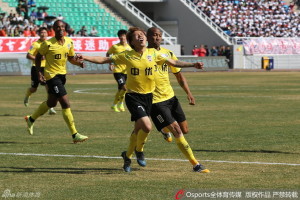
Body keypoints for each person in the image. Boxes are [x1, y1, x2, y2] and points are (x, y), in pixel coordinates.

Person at [79, 27, 204, 173]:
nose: (141, 37)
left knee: (141, 129)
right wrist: (85, 57)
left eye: (142, 35)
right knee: (150, 127)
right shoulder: (127, 55)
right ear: (131, 41)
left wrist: (193, 64)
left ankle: (129, 154)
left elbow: (174, 63)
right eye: (137, 36)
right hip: (136, 97)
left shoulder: (154, 54)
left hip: (153, 96)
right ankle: (194, 164)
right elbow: (104, 59)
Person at [147, 27, 210, 173]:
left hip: (171, 97)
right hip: (155, 101)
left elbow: (179, 75)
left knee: (184, 130)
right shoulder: (145, 54)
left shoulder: (167, 53)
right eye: (154, 35)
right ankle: (196, 165)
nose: (157, 38)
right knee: (176, 130)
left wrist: (189, 93)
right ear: (148, 37)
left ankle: (163, 128)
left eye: (159, 35)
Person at [24, 20, 88, 144]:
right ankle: (74, 134)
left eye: (62, 27)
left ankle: (31, 119)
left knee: (51, 103)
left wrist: (78, 63)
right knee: (65, 102)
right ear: (53, 29)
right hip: (51, 76)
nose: (60, 29)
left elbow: (70, 58)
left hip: (62, 76)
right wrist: (39, 73)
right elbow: (37, 57)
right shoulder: (47, 44)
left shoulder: (69, 42)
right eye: (57, 27)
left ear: (65, 28)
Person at [24, 27, 56, 115]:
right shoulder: (35, 44)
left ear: (47, 34)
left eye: (45, 32)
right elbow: (28, 55)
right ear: (39, 34)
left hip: (47, 68)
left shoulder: (50, 43)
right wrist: (38, 58)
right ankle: (27, 95)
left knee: (49, 88)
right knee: (34, 89)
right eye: (41, 32)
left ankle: (51, 107)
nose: (43, 34)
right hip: (36, 68)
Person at [106, 29, 131, 112]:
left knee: (121, 89)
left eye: (124, 35)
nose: (122, 37)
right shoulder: (115, 47)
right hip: (117, 71)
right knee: (124, 87)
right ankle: (117, 104)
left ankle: (118, 104)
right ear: (119, 37)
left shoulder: (130, 47)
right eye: (121, 36)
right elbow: (108, 54)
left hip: (126, 71)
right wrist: (110, 63)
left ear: (126, 37)